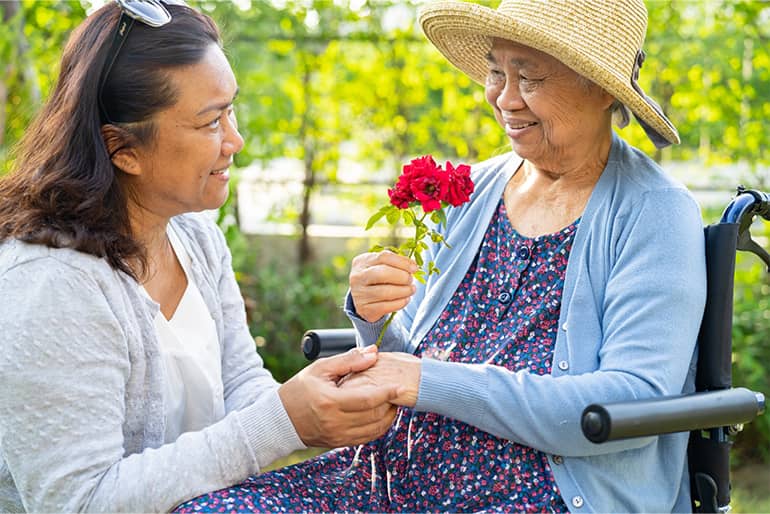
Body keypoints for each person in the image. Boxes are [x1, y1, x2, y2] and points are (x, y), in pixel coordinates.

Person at [174, 0, 707, 512]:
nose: (504, 98)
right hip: (383, 476)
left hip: (540, 495)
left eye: (531, 77)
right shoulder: (471, 191)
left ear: (599, 87)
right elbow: (414, 357)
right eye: (498, 71)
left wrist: (426, 381)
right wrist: (373, 319)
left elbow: (629, 401)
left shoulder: (655, 212)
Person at [0, 1, 401, 512]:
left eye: (231, 110)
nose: (236, 140)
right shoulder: (50, 285)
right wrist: (282, 421)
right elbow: (78, 501)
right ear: (122, 148)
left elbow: (240, 386)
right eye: (211, 122)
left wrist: (318, 403)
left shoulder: (194, 236)